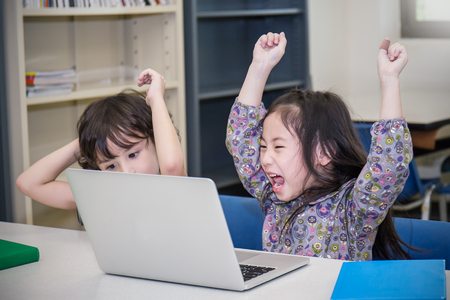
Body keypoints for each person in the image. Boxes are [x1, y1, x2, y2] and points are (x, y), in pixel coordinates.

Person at [226, 32, 414, 260]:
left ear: (324, 152)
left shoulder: (353, 209)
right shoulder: (274, 198)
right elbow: (240, 139)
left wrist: (389, 80)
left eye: (279, 147)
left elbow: (389, 165)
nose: (264, 159)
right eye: (263, 146)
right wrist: (259, 66)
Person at [16, 68, 186, 211]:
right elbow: (28, 183)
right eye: (111, 166)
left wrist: (156, 99)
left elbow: (171, 166)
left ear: (157, 142)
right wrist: (90, 140)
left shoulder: (173, 187)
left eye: (133, 155)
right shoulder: (101, 197)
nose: (126, 173)